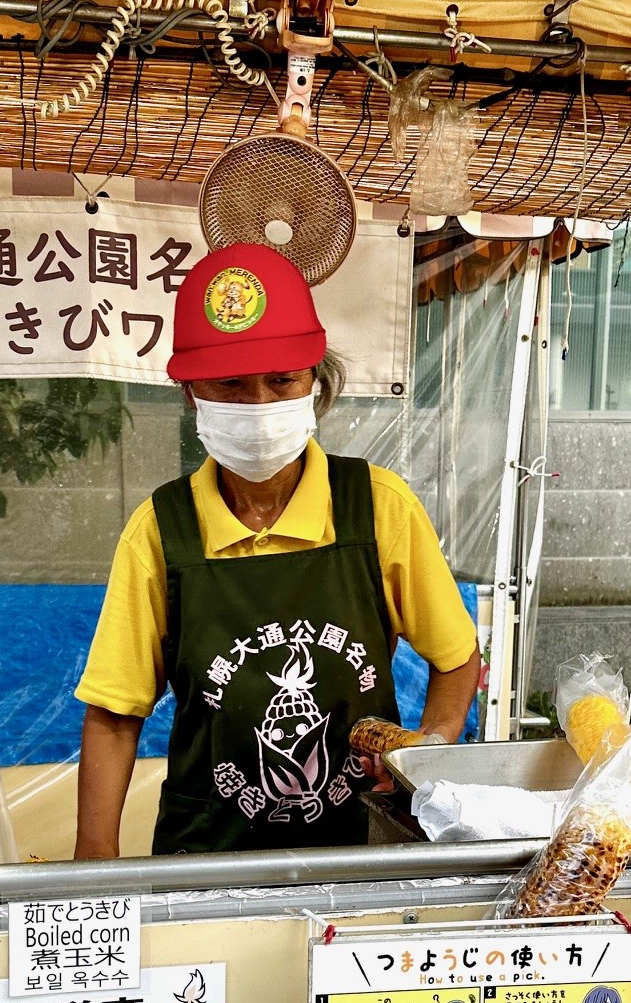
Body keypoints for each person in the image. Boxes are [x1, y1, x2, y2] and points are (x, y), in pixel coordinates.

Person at [74, 243, 481, 857]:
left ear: (313, 380)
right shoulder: (161, 531)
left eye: (281, 381)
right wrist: (92, 865)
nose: (259, 406)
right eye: (231, 386)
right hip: (206, 854)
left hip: (360, 842)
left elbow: (457, 657)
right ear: (191, 393)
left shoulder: (377, 507)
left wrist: (434, 740)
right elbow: (114, 712)